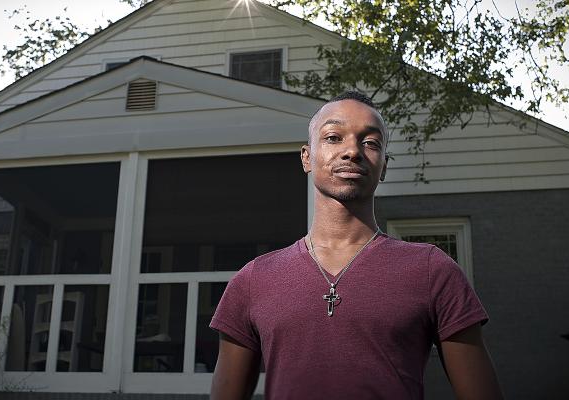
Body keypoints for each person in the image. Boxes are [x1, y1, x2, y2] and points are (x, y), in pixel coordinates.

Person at [209, 91, 503, 399]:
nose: (352, 151)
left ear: (384, 167)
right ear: (307, 157)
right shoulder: (254, 280)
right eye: (334, 137)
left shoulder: (433, 270)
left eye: (371, 142)